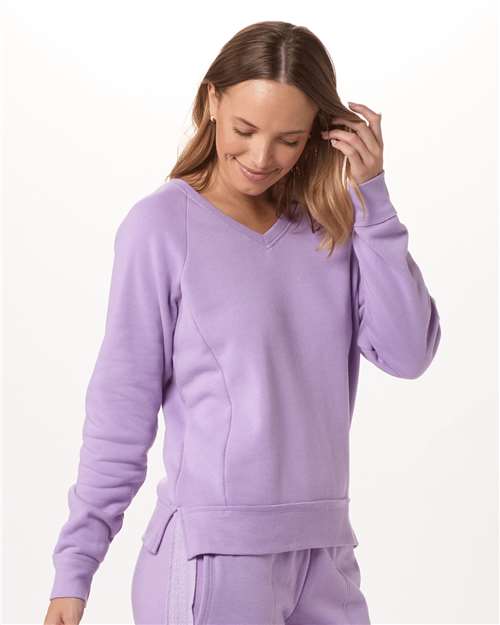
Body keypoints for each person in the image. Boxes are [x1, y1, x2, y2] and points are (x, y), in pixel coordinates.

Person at [44, 20, 441, 625]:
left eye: (288, 139)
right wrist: (74, 572)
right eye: (245, 130)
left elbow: (409, 354)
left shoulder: (332, 228)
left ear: (319, 132)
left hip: (325, 555)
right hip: (213, 562)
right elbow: (120, 412)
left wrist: (374, 201)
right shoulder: (161, 229)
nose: (260, 158)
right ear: (212, 102)